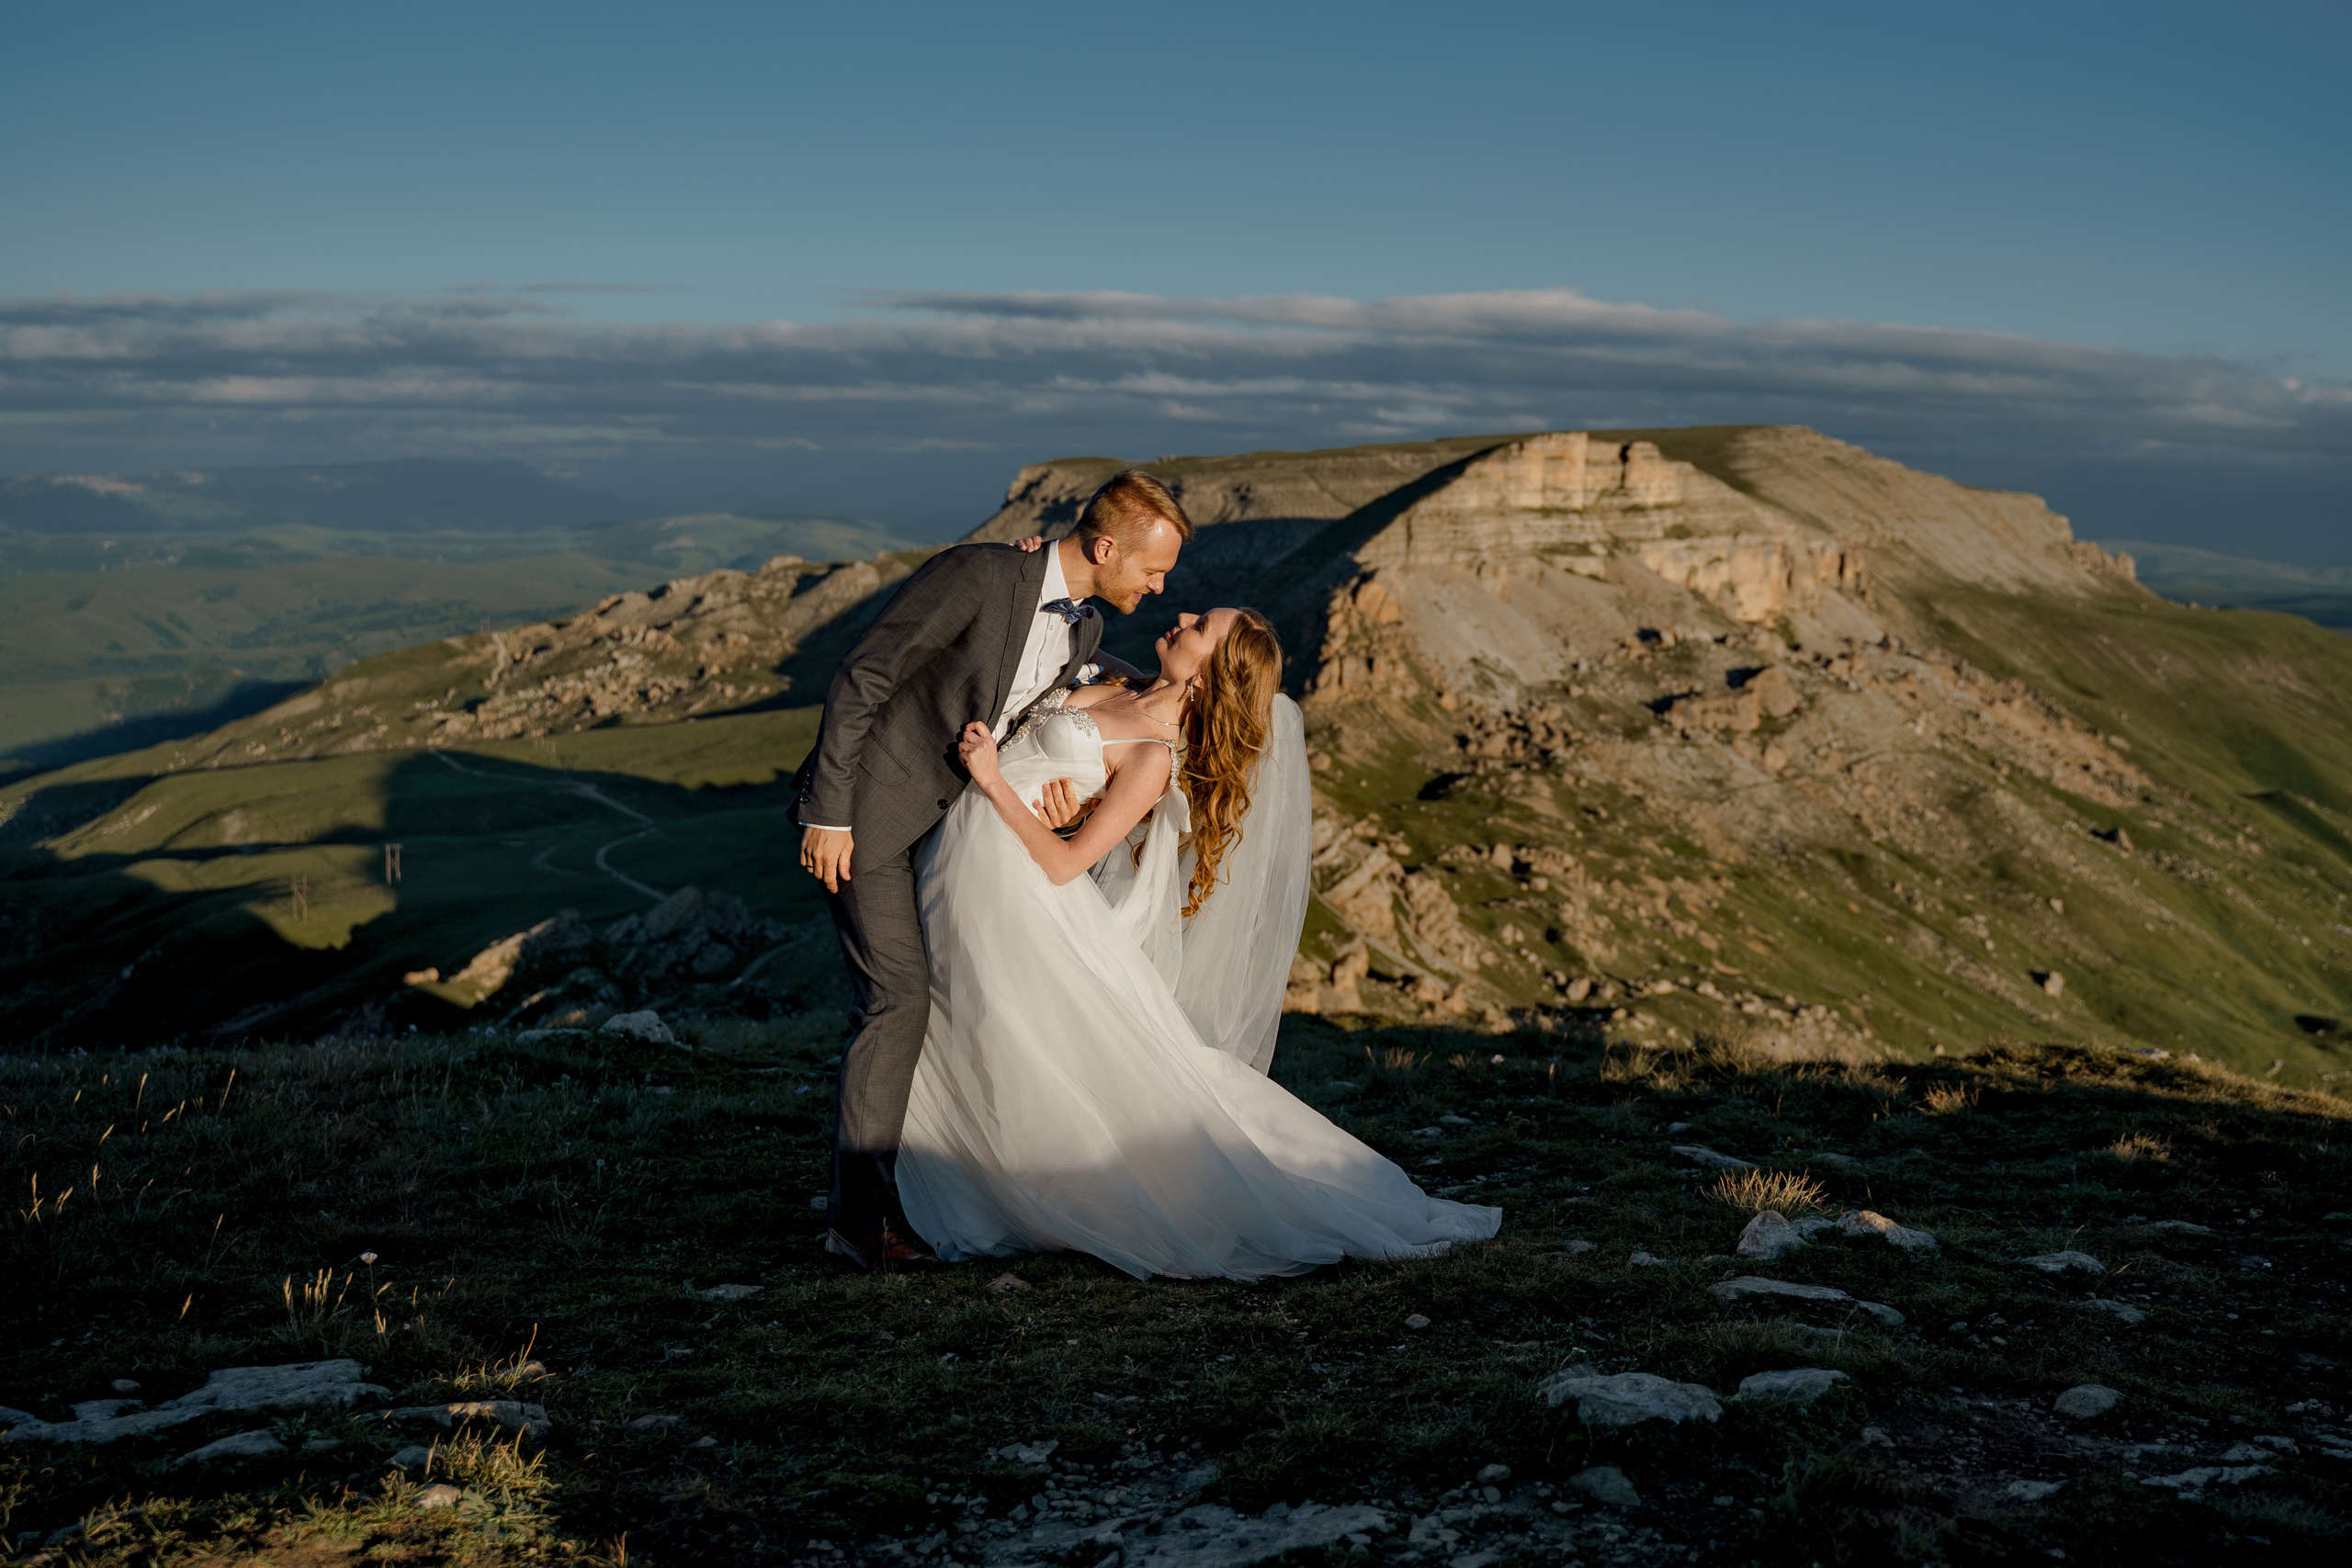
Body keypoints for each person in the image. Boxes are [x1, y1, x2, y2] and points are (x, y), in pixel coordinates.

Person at [895, 606, 1499, 1279]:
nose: (1181, 614)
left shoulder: (1155, 754)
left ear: (1210, 677)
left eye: (1201, 625)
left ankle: (981, 1187)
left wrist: (992, 780)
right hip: (962, 859)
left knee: (987, 1028)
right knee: (969, 1027)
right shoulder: (1121, 682)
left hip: (1003, 882)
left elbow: (1065, 865)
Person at [794, 468, 1189, 1271]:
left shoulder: (1080, 632)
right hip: (867, 819)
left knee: (938, 1001)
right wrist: (827, 811)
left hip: (947, 838)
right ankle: (858, 1223)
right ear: (1105, 546)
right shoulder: (978, 572)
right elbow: (864, 672)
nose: (1158, 586)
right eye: (1151, 569)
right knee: (897, 999)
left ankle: (925, 1185)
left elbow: (1090, 695)